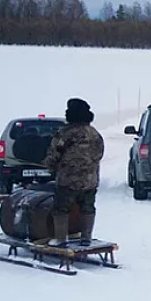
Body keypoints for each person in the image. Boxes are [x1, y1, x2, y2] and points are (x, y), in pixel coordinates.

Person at [43, 98, 105, 247]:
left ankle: (61, 239)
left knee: (61, 208)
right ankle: (86, 238)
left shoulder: (65, 133)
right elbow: (99, 154)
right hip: (90, 180)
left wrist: (51, 166)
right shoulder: (94, 134)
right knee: (87, 207)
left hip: (67, 180)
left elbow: (54, 154)